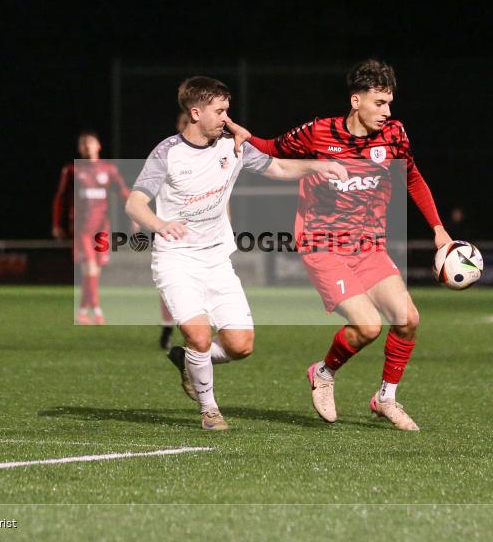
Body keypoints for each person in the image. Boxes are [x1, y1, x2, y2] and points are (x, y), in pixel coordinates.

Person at [226, 59, 452, 431]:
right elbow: (274, 147)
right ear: (356, 101)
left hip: (369, 247)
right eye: (379, 103)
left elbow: (413, 178)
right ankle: (324, 373)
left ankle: (385, 398)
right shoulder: (319, 132)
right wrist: (245, 136)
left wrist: (438, 229)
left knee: (408, 319)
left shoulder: (394, 135)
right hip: (323, 245)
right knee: (367, 327)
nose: (387, 111)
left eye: (389, 102)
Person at [126, 76, 346, 431]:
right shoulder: (167, 152)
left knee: (241, 345)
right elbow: (135, 203)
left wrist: (318, 165)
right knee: (198, 334)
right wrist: (159, 223)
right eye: (219, 111)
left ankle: (188, 361)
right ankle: (209, 409)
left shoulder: (233, 145)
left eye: (228, 110)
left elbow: (278, 167)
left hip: (217, 260)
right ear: (195, 113)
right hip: (176, 260)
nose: (227, 118)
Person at [52, 130, 132, 325]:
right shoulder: (72, 170)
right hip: (82, 229)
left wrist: (135, 216)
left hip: (102, 228)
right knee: (90, 268)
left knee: (95, 271)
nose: (87, 146)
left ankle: (82, 311)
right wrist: (56, 223)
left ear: (98, 146)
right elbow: (60, 198)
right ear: (79, 148)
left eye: (90, 142)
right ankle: (96, 310)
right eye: (83, 143)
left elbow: (124, 193)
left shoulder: (108, 169)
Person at [157, 112, 191, 350]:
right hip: (171, 229)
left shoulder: (211, 153)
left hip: (202, 232)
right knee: (170, 282)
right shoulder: (166, 153)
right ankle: (167, 327)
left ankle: (195, 333)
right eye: (183, 123)